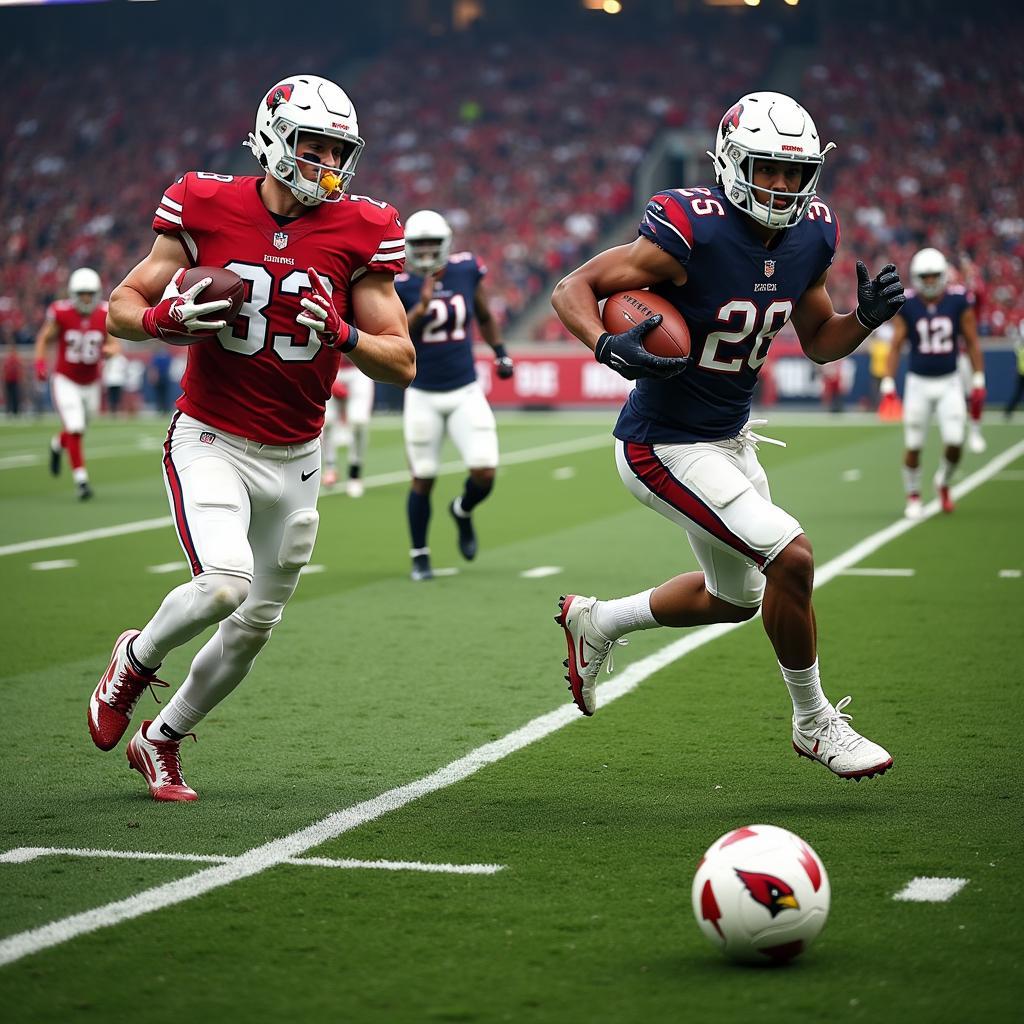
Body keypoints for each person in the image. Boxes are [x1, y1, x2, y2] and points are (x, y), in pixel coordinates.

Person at [550, 91, 905, 781]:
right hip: (663, 443)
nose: (780, 185)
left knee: (737, 599)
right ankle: (814, 722)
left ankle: (596, 622)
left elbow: (822, 341)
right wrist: (604, 345)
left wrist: (862, 319)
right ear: (735, 164)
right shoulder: (695, 227)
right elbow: (574, 286)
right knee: (792, 558)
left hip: (730, 439)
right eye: (768, 169)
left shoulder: (811, 237)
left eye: (793, 173)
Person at [88, 75, 415, 801]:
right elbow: (121, 306)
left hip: (298, 455)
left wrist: (340, 330)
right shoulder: (205, 204)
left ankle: (161, 739)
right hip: (212, 436)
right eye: (315, 147)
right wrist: (161, 323)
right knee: (224, 586)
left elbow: (402, 356)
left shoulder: (361, 227)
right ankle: (134, 662)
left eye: (340, 151)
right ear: (272, 140)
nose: (330, 165)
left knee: (254, 626)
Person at [395, 209, 513, 581]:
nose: (427, 251)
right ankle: (420, 555)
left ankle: (462, 510)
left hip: (464, 387)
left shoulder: (464, 269)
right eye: (420, 244)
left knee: (485, 470)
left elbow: (483, 313)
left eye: (433, 243)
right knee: (424, 476)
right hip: (423, 392)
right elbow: (397, 333)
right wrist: (422, 306)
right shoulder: (396, 283)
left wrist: (500, 352)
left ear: (445, 243)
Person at [881, 247, 984, 519]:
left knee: (955, 440)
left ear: (942, 276)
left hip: (949, 381)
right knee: (914, 444)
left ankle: (943, 482)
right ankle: (913, 495)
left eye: (933, 276)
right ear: (916, 277)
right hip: (918, 383)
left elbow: (972, 340)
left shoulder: (959, 300)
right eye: (924, 276)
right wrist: (888, 380)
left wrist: (977, 375)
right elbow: (896, 344)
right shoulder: (909, 304)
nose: (929, 281)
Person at [34, 267, 120, 499]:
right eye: (82, 293)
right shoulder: (61, 313)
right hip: (66, 379)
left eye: (89, 294)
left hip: (91, 381)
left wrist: (108, 351)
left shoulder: (103, 312)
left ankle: (56, 444)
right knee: (75, 427)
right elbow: (44, 337)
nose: (86, 299)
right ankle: (81, 481)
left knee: (79, 427)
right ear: (73, 293)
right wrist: (40, 364)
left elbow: (114, 344)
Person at [321, 358, 374, 495]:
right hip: (330, 366)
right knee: (326, 422)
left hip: (360, 368)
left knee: (359, 422)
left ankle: (355, 473)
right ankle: (330, 467)